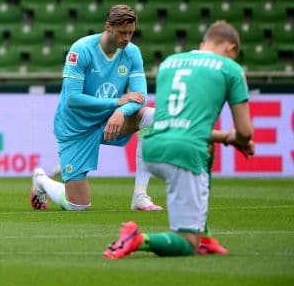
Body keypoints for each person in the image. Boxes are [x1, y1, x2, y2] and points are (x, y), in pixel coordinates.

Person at [105, 21, 255, 259]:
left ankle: (203, 236)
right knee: (187, 245)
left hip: (152, 147)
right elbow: (245, 132)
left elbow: (175, 122)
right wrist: (239, 138)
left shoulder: (170, 63)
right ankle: (139, 238)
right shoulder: (230, 68)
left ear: (204, 42)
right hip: (182, 155)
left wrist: (225, 138)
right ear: (231, 48)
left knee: (207, 144)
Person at [30, 4, 161, 213]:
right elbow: (73, 98)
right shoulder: (81, 50)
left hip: (109, 120)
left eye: (131, 33)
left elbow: (140, 97)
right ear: (108, 27)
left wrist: (120, 111)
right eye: (122, 33)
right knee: (77, 206)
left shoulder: (132, 53)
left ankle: (140, 196)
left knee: (151, 116)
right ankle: (42, 181)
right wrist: (115, 103)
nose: (127, 38)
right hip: (76, 126)